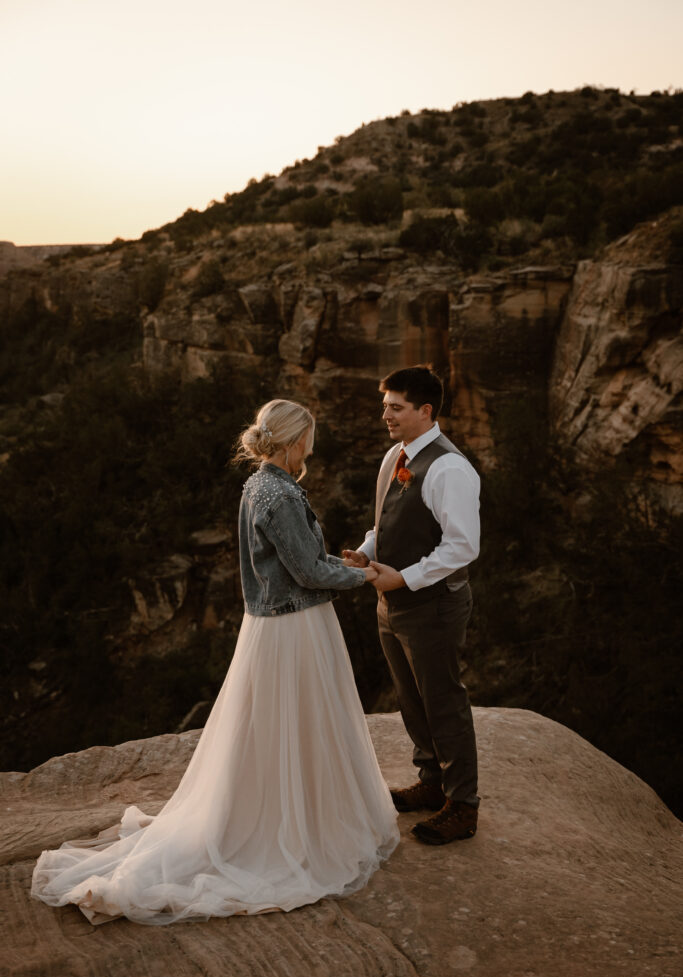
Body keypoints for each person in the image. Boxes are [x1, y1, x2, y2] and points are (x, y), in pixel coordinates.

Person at [31, 399, 399, 925]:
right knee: (301, 725)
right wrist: (363, 577)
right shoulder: (282, 493)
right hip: (294, 627)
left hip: (272, 624)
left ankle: (274, 815)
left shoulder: (257, 484)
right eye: (308, 445)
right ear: (294, 442)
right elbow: (306, 574)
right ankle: (295, 830)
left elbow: (297, 563)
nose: (309, 455)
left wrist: (339, 561)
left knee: (274, 731)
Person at [343, 365, 481, 845]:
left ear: (425, 411)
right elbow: (386, 522)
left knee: (442, 700)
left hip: (433, 607)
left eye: (395, 407)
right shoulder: (394, 456)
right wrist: (368, 552)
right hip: (392, 601)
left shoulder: (449, 468)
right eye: (385, 405)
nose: (386, 415)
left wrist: (405, 577)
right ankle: (431, 782)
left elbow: (463, 546)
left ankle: (462, 806)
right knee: (410, 698)